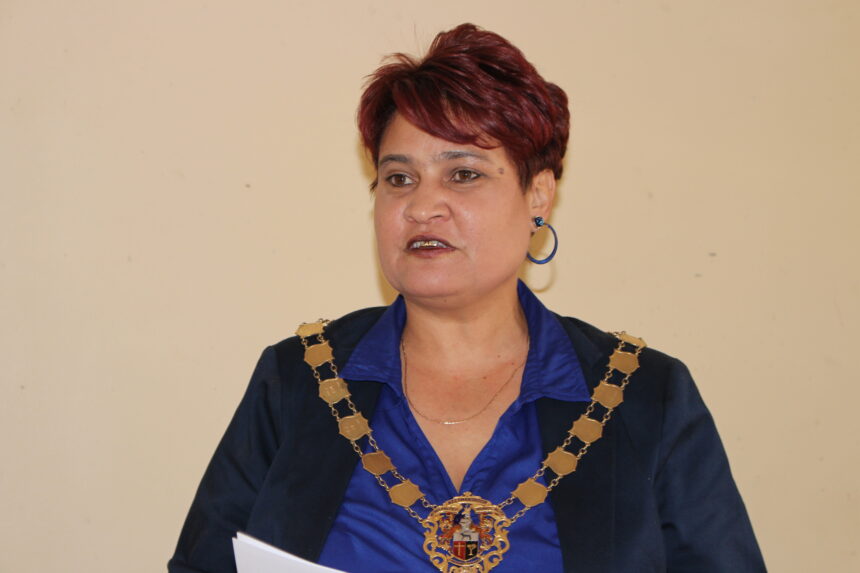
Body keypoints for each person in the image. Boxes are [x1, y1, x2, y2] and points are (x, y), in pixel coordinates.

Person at [168, 23, 765, 573]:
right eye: (399, 178)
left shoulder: (643, 395)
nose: (422, 206)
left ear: (538, 195)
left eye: (463, 174)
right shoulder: (298, 380)